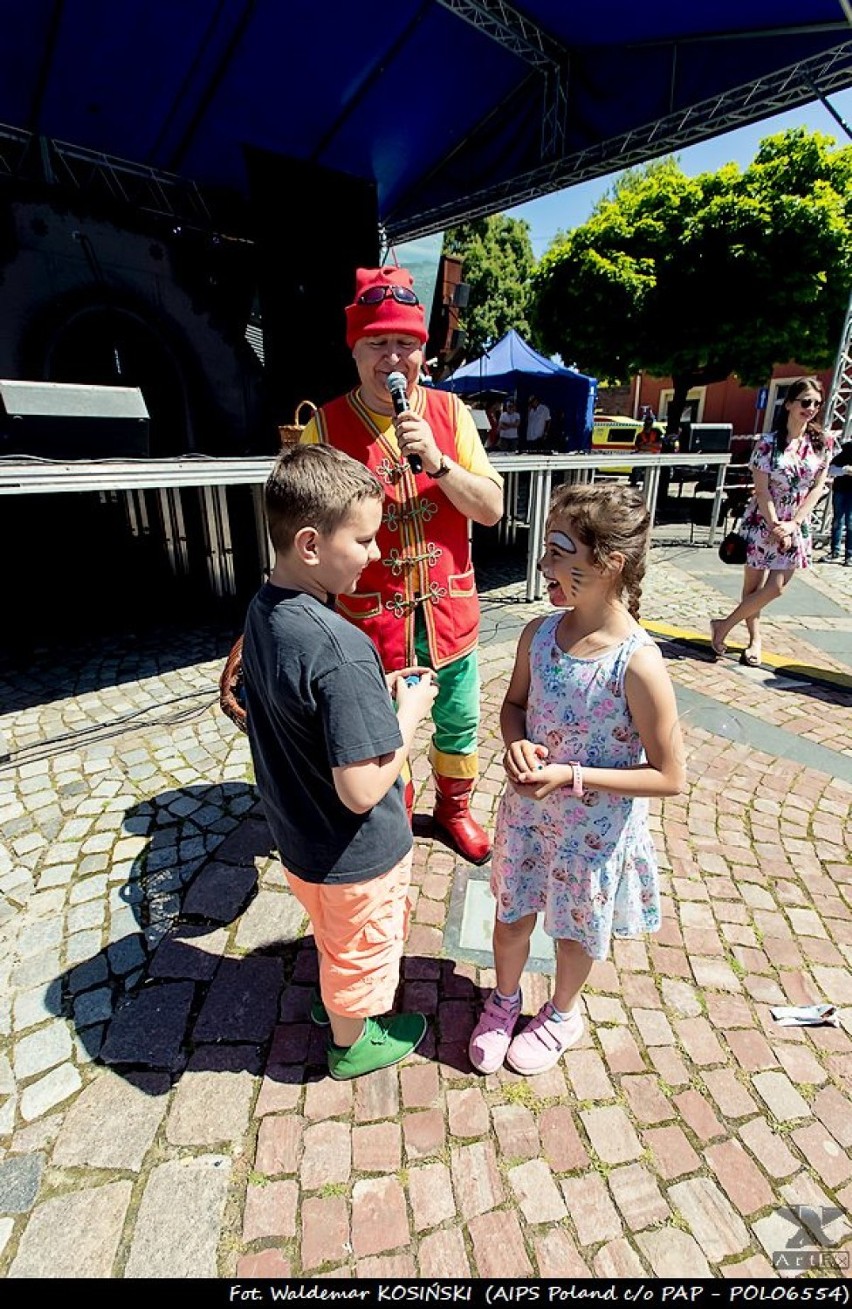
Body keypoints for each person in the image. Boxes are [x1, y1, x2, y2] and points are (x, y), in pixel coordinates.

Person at [468, 483, 685, 1076]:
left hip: (591, 838)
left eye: (560, 552)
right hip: (529, 821)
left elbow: (671, 776)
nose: (544, 565)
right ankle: (504, 999)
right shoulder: (538, 635)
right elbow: (514, 706)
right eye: (546, 548)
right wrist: (516, 744)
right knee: (512, 916)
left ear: (610, 564)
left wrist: (572, 774)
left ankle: (563, 1012)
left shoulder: (636, 662)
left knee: (573, 932)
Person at [240, 444, 438, 1080]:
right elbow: (359, 789)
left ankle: (337, 1003)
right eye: (364, 539)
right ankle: (352, 1042)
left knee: (334, 935)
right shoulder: (341, 646)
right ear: (309, 543)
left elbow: (301, 713)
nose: (376, 554)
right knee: (361, 951)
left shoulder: (264, 611)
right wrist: (408, 713)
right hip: (353, 856)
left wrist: (367, 704)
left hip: (300, 840)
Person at [300, 265, 504, 864]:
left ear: (422, 350)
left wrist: (439, 463)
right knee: (384, 730)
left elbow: (490, 509)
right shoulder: (327, 425)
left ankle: (455, 810)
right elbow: (306, 533)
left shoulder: (450, 413)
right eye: (377, 343)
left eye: (406, 344)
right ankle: (394, 814)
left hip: (449, 613)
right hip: (370, 623)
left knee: (459, 720)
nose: (393, 358)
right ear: (354, 350)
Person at [710, 377, 834, 668]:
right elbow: (762, 490)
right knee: (753, 587)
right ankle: (755, 640)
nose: (811, 408)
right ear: (790, 404)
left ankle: (723, 625)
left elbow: (817, 487)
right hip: (763, 520)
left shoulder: (822, 443)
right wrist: (777, 524)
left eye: (816, 403)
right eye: (805, 402)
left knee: (776, 586)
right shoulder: (767, 444)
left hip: (796, 523)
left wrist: (794, 524)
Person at [826, 437, 852, 565]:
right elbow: (830, 469)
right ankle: (834, 552)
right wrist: (844, 471)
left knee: (851, 523)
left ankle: (849, 555)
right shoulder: (846, 450)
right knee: (837, 521)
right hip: (840, 490)